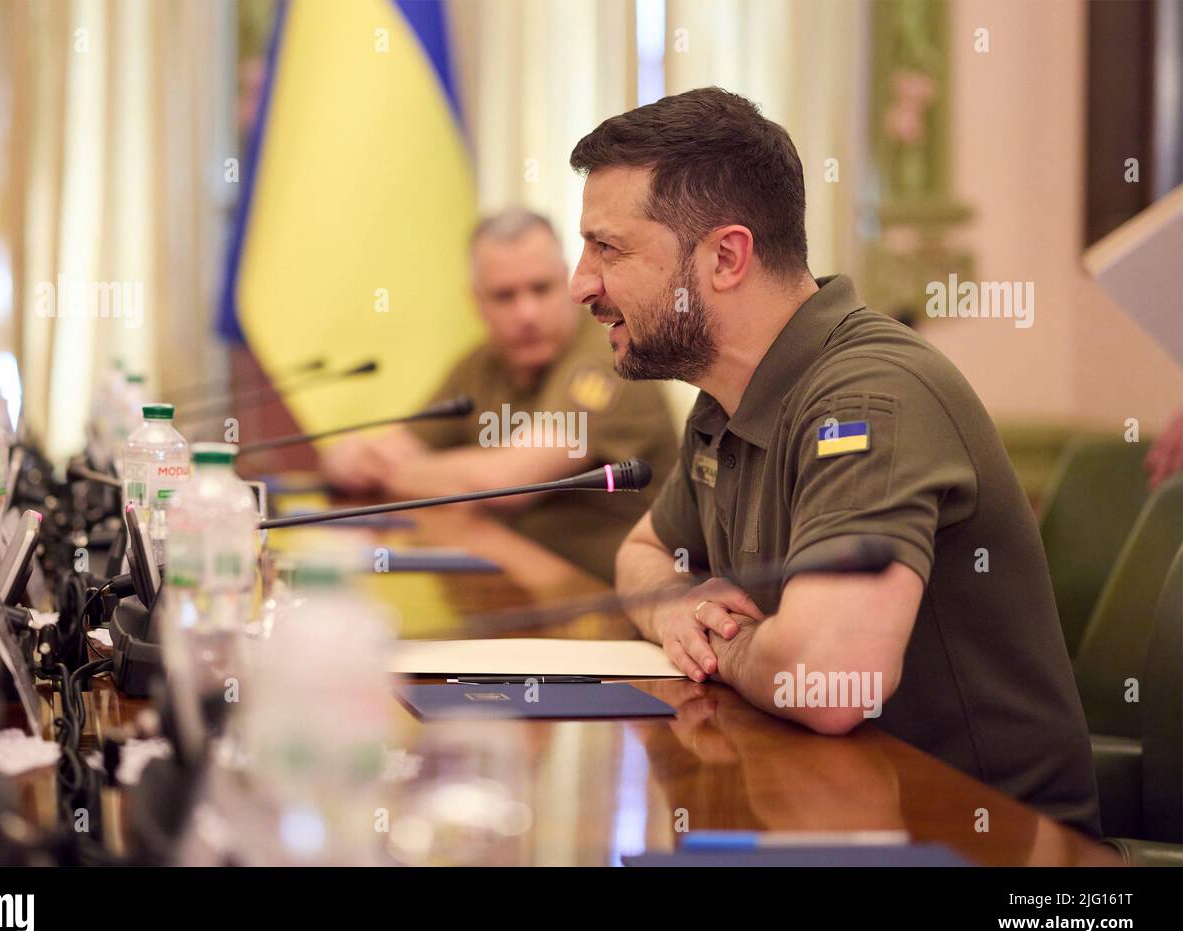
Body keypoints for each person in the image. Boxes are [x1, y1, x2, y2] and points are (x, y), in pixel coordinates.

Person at [570, 87, 1100, 834]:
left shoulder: (871, 395)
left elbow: (826, 679)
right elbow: (646, 549)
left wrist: (724, 645)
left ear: (726, 256)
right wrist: (674, 605)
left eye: (608, 248)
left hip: (988, 849)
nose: (580, 284)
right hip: (835, 813)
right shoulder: (724, 396)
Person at [320, 208, 678, 584]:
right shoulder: (481, 363)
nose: (527, 313)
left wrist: (393, 472)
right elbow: (389, 449)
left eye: (541, 289)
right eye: (505, 296)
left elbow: (508, 482)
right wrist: (348, 457)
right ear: (476, 302)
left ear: (567, 282)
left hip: (616, 604)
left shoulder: (608, 356)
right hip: (524, 583)